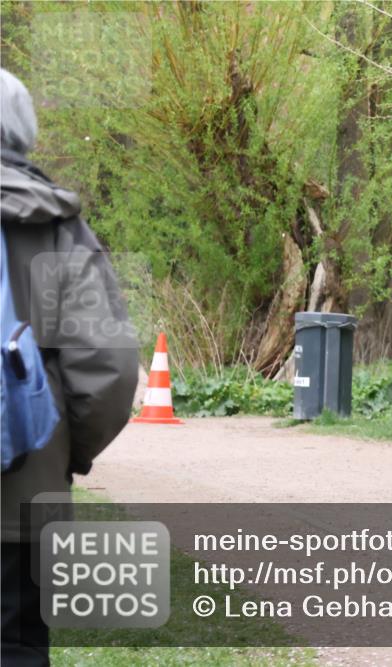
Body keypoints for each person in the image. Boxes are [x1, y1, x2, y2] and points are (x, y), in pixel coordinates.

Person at [1, 69, 138, 666]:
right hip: (23, 494)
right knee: (16, 647)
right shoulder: (55, 228)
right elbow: (108, 368)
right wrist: (62, 454)